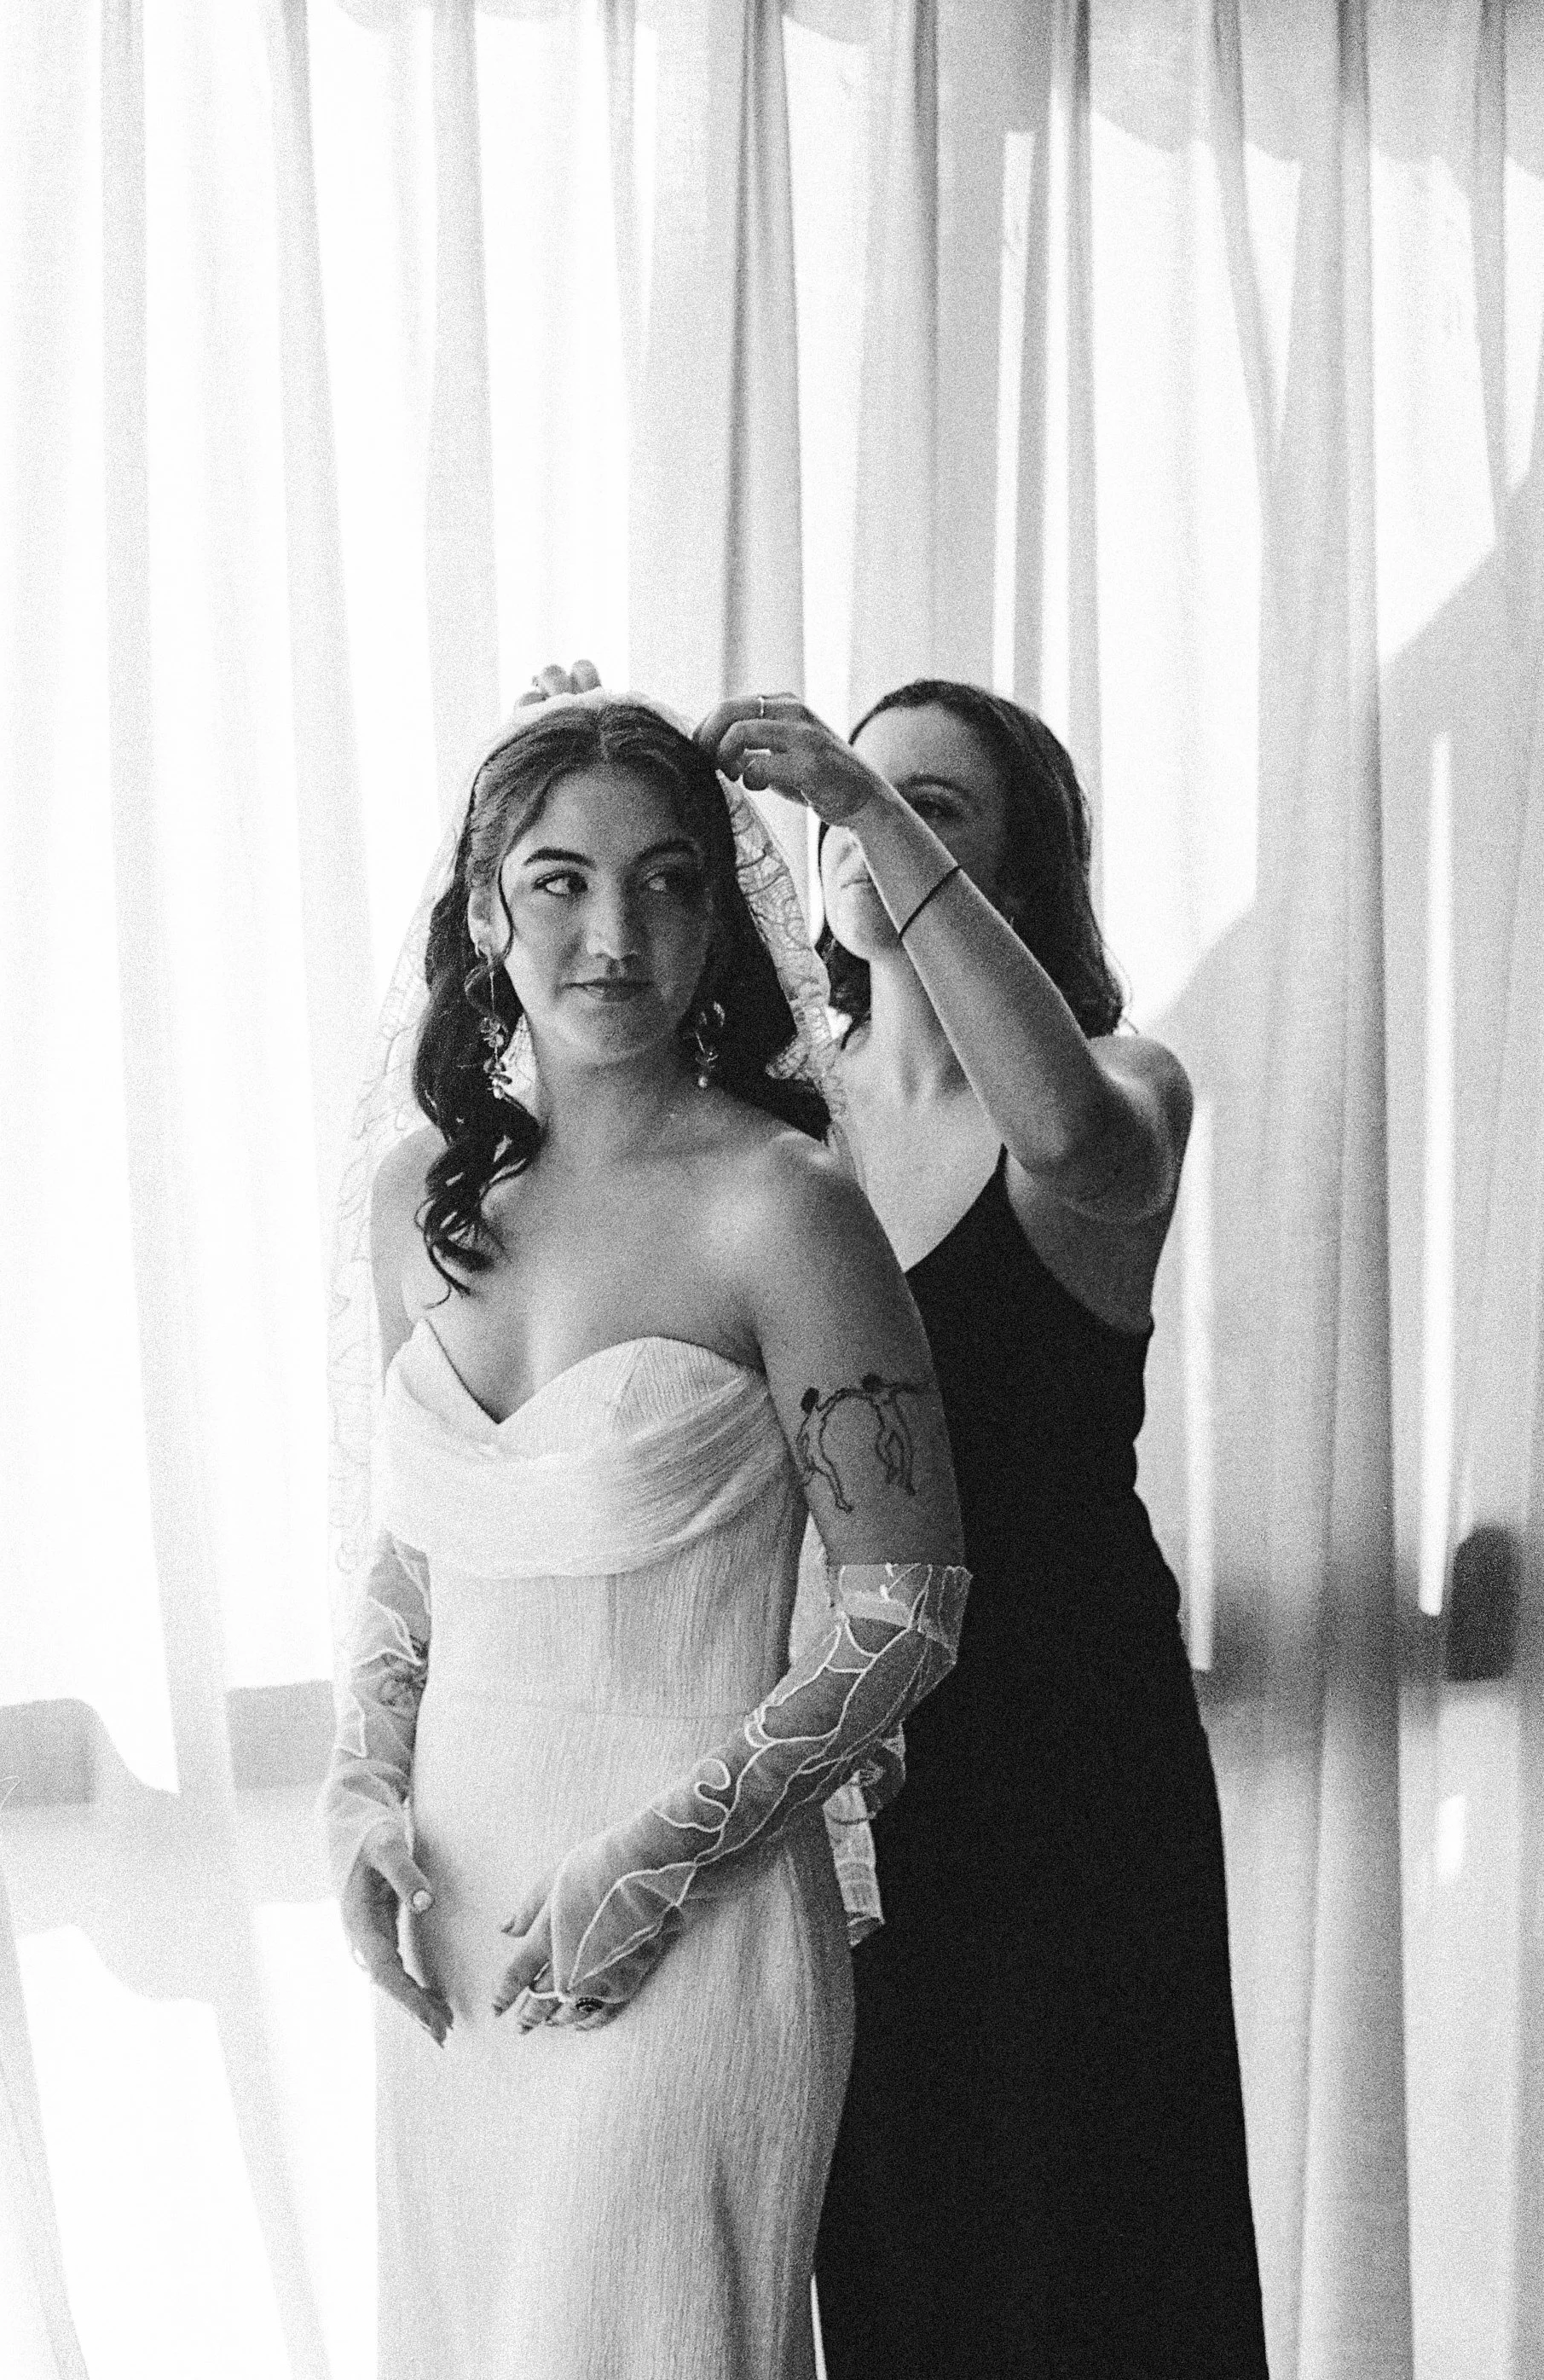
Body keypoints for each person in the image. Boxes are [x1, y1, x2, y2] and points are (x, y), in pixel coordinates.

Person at [318, 687, 969, 2380]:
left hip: (691, 1921)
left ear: (718, 909)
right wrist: (359, 1795)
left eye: (669, 882)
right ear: (481, 911)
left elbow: (903, 1614)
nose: (618, 933)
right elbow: (414, 1554)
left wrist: (661, 1857)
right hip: (456, 1917)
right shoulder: (415, 1199)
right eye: (561, 882)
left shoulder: (785, 1206)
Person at [697, 680, 1270, 2378]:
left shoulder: (1123, 1079)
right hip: (859, 1758)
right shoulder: (787, 1142)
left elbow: (1071, 1145)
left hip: (1074, 1748)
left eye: (936, 802)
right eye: (861, 801)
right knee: (904, 2237)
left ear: (1016, 870)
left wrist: (864, 799)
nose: (870, 819)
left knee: (1104, 2231)